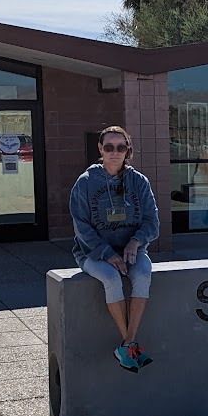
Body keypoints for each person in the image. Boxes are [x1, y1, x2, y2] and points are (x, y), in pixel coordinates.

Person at [70, 125, 159, 372]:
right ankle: (130, 344)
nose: (114, 152)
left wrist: (135, 241)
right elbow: (81, 228)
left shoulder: (139, 182)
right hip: (92, 253)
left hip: (131, 250)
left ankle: (128, 344)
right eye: (108, 147)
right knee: (111, 277)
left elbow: (153, 223)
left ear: (127, 150)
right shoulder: (85, 183)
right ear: (100, 149)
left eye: (120, 147)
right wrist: (107, 254)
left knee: (142, 274)